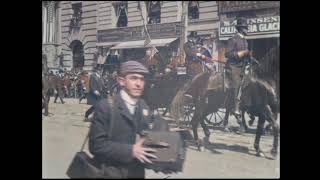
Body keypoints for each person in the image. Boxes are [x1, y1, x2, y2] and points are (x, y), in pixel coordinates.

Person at [88, 60, 157, 178]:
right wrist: (131, 151)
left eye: (141, 79)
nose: (139, 84)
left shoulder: (144, 106)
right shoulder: (106, 106)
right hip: (110, 173)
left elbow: (146, 137)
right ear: (121, 81)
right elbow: (96, 145)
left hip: (136, 174)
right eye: (134, 78)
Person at [225, 17, 251, 117]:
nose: (247, 30)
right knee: (237, 83)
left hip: (243, 66)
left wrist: (249, 59)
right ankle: (235, 107)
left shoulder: (245, 41)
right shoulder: (233, 39)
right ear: (240, 29)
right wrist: (242, 53)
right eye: (245, 28)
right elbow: (227, 54)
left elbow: (246, 55)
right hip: (233, 67)